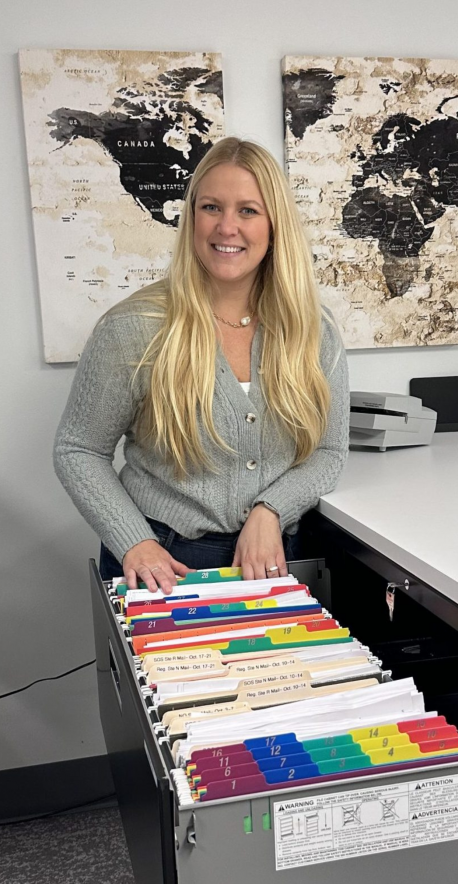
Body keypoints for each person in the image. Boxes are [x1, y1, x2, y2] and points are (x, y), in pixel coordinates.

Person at [54, 137, 349, 593]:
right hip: (161, 562)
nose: (226, 227)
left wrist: (271, 510)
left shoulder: (314, 330)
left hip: (275, 552)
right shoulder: (134, 328)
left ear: (275, 226)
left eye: (248, 210)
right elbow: (78, 450)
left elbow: (329, 452)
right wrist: (134, 542)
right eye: (211, 207)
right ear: (192, 217)